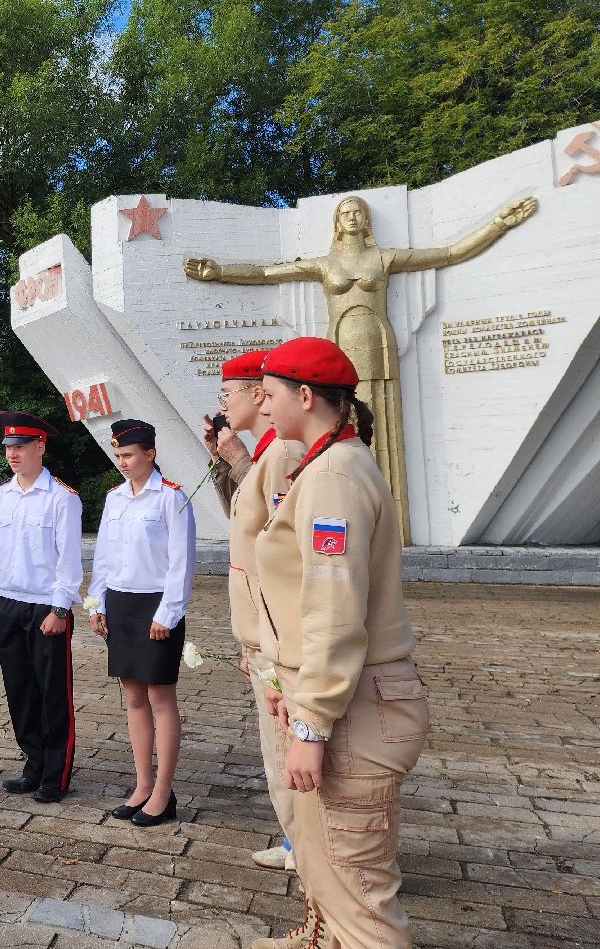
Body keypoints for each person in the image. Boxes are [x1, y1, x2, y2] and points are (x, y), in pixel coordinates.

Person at [184, 193, 537, 538]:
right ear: (337, 222)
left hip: (377, 343)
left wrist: (497, 225)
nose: (352, 217)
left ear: (366, 220)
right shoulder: (325, 264)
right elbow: (269, 273)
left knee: (378, 426)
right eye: (345, 212)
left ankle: (388, 523)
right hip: (337, 344)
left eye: (358, 212)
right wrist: (220, 272)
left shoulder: (382, 259)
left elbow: (447, 253)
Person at [251, 337, 430, 949]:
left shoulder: (332, 477)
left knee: (360, 902)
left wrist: (313, 722)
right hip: (343, 701)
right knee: (329, 871)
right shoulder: (330, 464)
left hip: (352, 710)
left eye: (269, 394)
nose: (262, 405)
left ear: (305, 395)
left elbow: (333, 610)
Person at [203, 351, 306, 871]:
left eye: (231, 394)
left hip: (276, 627)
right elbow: (242, 518)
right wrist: (227, 462)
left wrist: (237, 460)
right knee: (274, 746)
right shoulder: (263, 450)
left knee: (286, 739)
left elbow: (277, 536)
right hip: (259, 626)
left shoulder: (282, 453)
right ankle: (295, 840)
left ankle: (305, 847)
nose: (224, 405)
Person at [89, 419, 196, 828]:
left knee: (160, 699)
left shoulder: (171, 497)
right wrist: (97, 604)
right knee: (133, 698)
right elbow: (103, 555)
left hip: (155, 605)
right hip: (120, 602)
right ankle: (142, 785)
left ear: (150, 454)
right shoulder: (115, 498)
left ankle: (165, 793)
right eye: (117, 456)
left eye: (129, 455)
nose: (122, 462)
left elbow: (182, 563)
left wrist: (167, 614)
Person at [0, 410, 82, 803]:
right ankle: (33, 763)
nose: (13, 454)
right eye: (8, 447)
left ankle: (56, 773)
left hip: (45, 608)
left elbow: (69, 560)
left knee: (53, 693)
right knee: (19, 691)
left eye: (20, 446)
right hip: (9, 605)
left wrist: (60, 610)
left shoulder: (61, 498)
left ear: (41, 446)